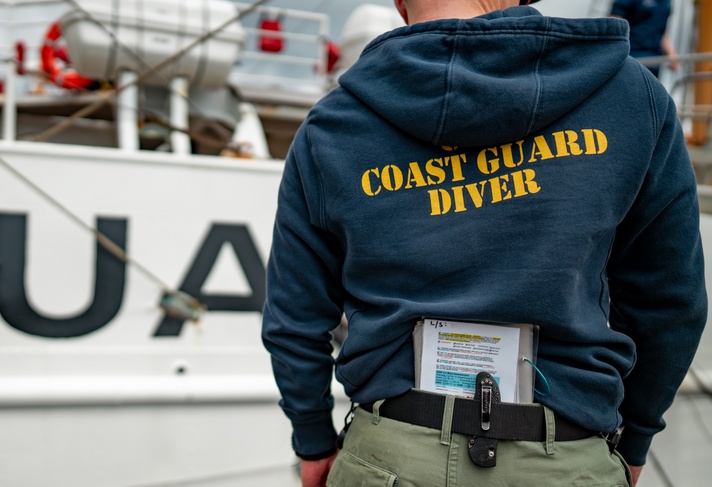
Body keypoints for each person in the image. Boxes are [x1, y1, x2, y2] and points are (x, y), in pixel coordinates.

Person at [261, 0, 707, 486]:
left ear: (398, 1)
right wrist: (637, 435)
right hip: (566, 461)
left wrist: (313, 440)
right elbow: (669, 301)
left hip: (388, 458)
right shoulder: (631, 99)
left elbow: (295, 316)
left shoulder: (332, 126)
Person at [610, 0, 678, 77]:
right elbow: (613, 27)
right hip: (630, 57)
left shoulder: (665, 2)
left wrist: (672, 54)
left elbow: (661, 31)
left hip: (654, 61)